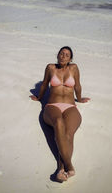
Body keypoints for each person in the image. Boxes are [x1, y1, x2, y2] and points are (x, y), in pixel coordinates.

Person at [30, 46, 90, 182]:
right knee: (58, 123)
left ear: (70, 59)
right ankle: (69, 166)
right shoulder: (50, 68)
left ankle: (61, 169)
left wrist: (79, 99)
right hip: (52, 106)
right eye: (61, 53)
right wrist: (39, 97)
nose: (63, 56)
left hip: (70, 106)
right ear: (57, 55)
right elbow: (44, 84)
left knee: (68, 134)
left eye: (67, 55)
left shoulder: (74, 68)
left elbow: (77, 86)